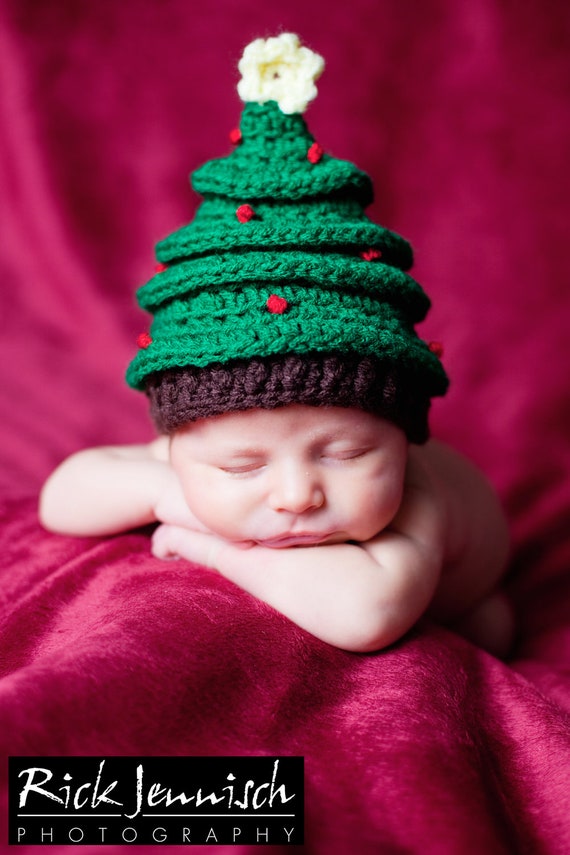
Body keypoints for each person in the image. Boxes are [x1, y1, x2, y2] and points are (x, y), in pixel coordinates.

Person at [39, 34, 513, 656]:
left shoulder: (417, 496)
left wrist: (212, 541)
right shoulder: (198, 449)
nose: (296, 494)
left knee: (487, 630)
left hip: (463, 592)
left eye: (346, 453)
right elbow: (62, 500)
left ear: (403, 435)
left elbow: (362, 615)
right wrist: (170, 494)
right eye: (243, 467)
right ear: (177, 443)